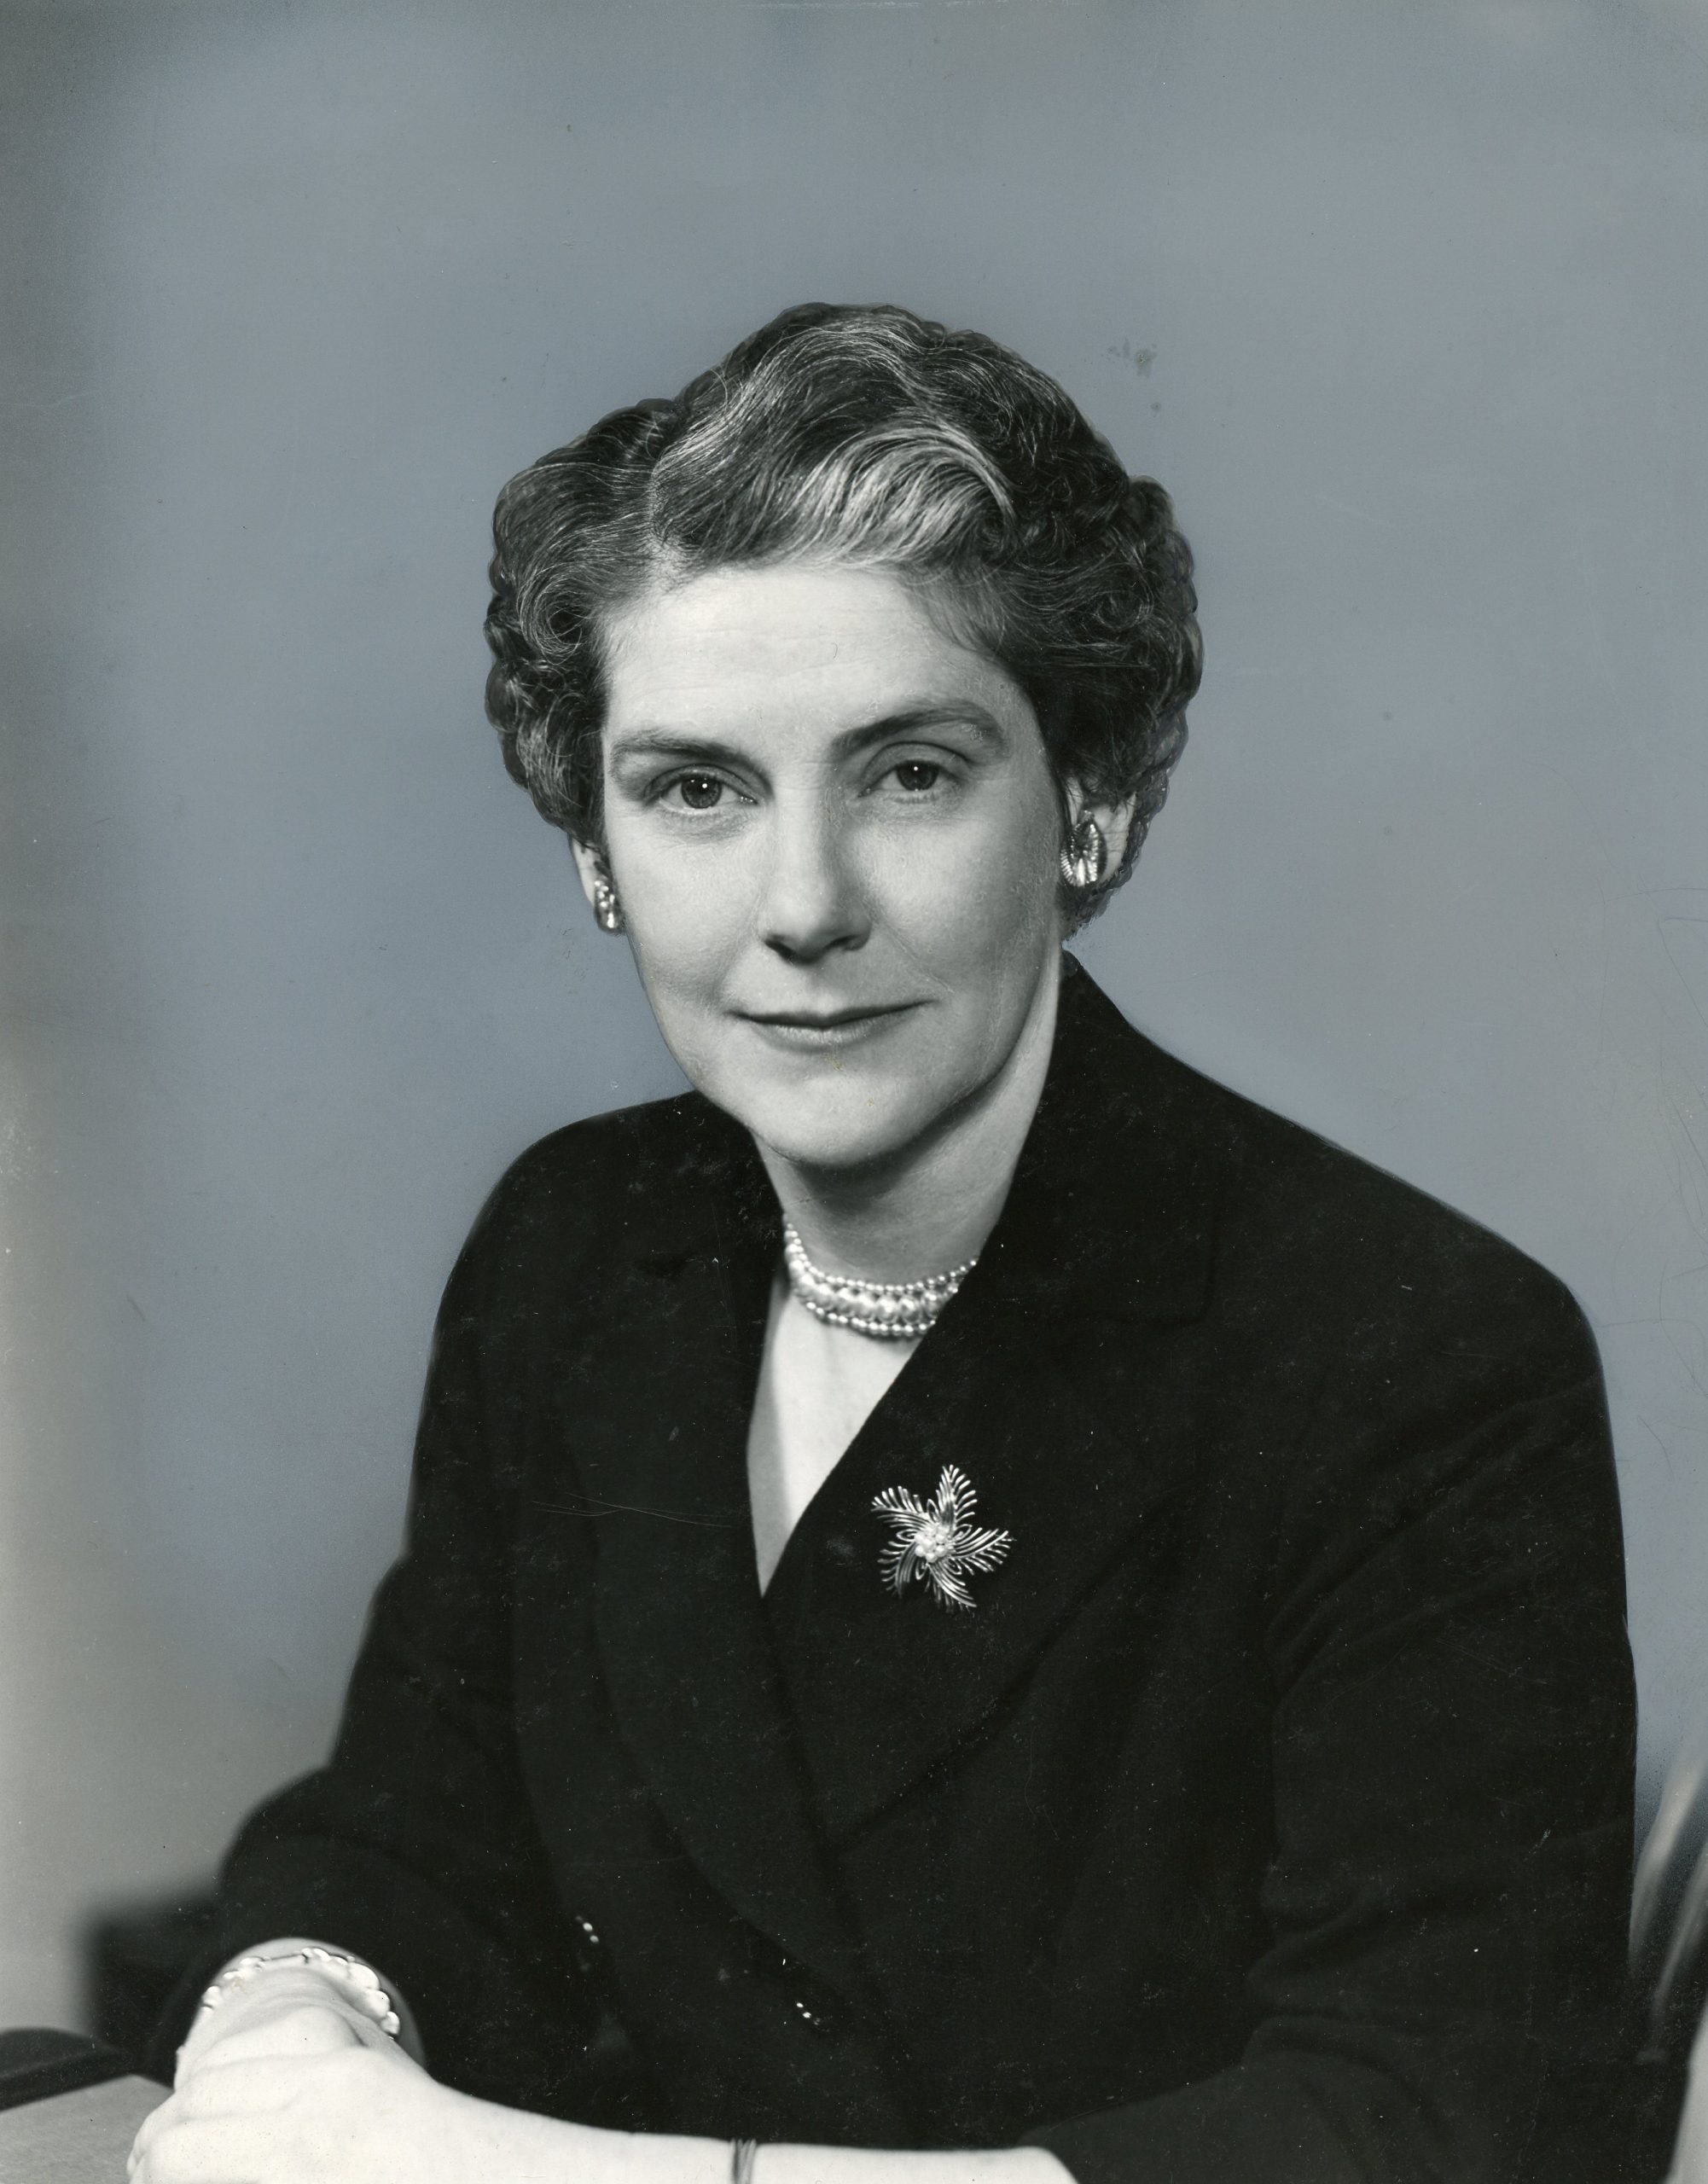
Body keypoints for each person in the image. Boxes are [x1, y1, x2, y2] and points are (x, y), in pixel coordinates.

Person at [129, 304, 1641, 2184]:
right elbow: (411, 1818)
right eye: (696, 787)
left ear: (1086, 801)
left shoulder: (1408, 1353)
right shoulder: (577, 1241)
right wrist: (285, 2017)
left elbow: (1423, 2124)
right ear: (593, 843)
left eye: (908, 771)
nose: (801, 907)